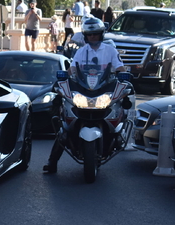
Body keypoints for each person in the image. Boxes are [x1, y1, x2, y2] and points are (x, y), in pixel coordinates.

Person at [44, 17, 126, 173]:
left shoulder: (110, 51)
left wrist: (126, 79)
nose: (92, 37)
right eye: (89, 34)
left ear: (101, 34)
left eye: (95, 34)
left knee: (120, 107)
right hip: (84, 90)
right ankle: (52, 162)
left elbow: (119, 67)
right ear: (85, 36)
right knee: (65, 128)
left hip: (103, 89)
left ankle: (117, 137)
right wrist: (63, 80)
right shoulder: (81, 52)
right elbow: (73, 69)